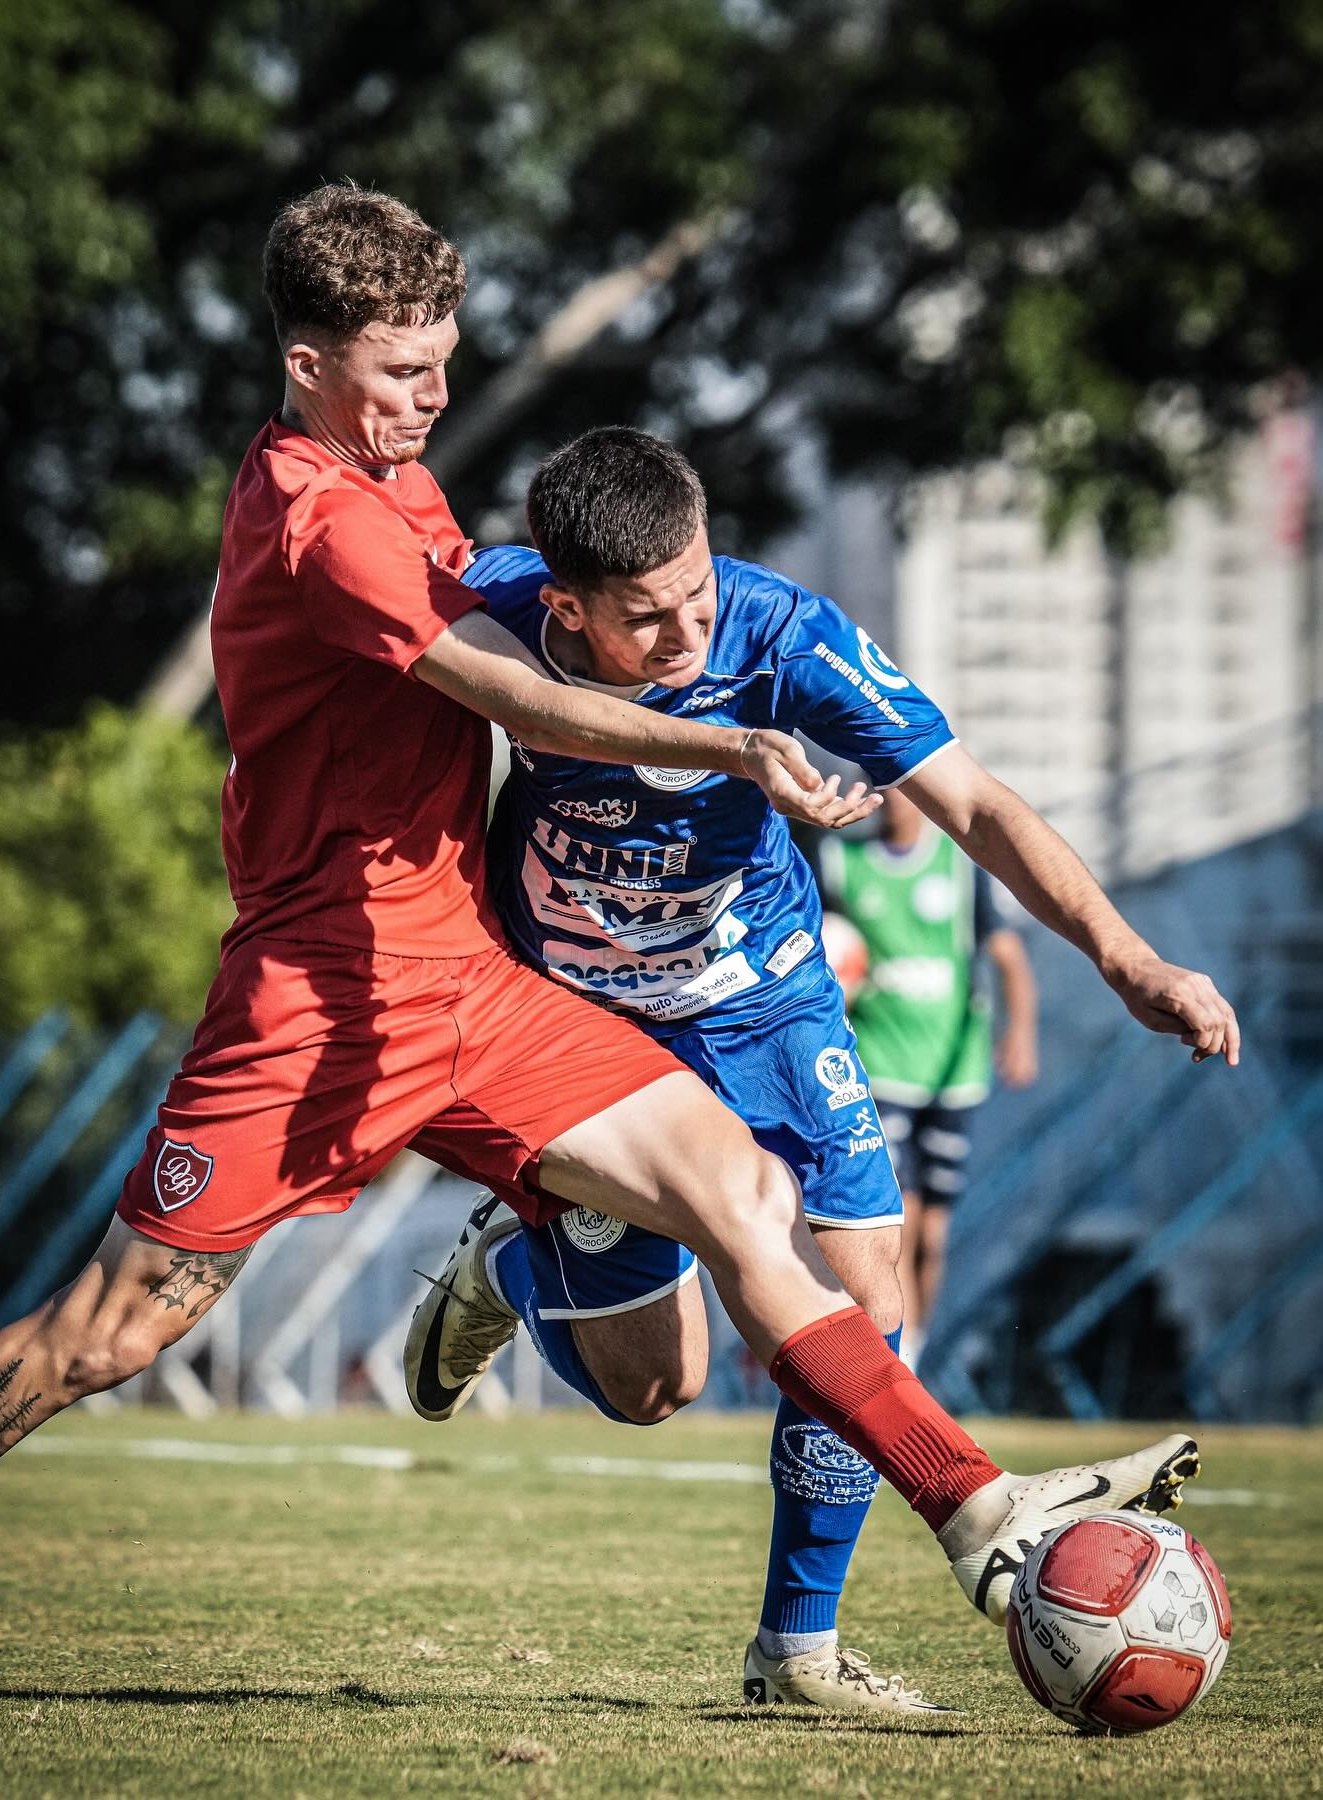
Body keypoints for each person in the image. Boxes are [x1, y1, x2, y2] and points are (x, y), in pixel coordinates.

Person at [0, 186, 1227, 1696]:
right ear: (305, 363)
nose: (434, 394)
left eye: (446, 358)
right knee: (101, 1340)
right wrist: (727, 753)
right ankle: (547, 1271)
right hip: (322, 992)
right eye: (400, 369)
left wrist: (1122, 956)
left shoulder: (411, 490)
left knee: (744, 1194)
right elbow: (512, 699)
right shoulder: (321, 522)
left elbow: (967, 796)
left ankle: (972, 1513)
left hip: (481, 979)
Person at [402, 425, 1235, 1709]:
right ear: (565, 608)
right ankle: (512, 1265)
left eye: (699, 590)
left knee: (863, 1286)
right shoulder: (494, 608)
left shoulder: (782, 635)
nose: (691, 631)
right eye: (650, 618)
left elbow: (978, 804)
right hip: (578, 1026)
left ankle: (796, 1650)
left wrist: (1125, 958)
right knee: (654, 1388)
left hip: (762, 1000)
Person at [819, 783, 1039, 1365]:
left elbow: (1009, 959)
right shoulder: (842, 861)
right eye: (883, 790)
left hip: (954, 1073)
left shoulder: (960, 868)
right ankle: (902, 1352)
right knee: (902, 1211)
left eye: (904, 790)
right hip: (880, 1067)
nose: (895, 802)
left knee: (934, 1234)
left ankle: (917, 1339)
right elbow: (825, 950)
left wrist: (1019, 1034)